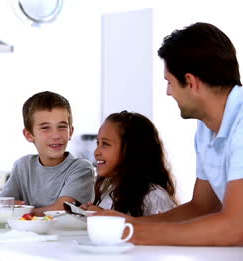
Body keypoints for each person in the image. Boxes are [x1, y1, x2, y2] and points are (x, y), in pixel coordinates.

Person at [96, 22, 243, 246]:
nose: (168, 92)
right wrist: (131, 223)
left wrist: (132, 233)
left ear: (191, 82)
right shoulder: (206, 127)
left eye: (169, 82)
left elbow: (234, 227)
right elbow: (202, 207)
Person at [0, 91, 95, 216]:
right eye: (45, 128)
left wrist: (22, 212)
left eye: (62, 126)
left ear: (70, 132)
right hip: (30, 235)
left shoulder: (81, 168)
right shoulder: (22, 166)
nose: (55, 135)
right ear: (29, 135)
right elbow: (2, 206)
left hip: (67, 235)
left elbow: (61, 210)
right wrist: (10, 209)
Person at [81, 111, 177, 217]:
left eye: (105, 144)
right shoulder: (110, 191)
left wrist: (107, 218)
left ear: (131, 150)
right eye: (98, 143)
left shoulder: (154, 197)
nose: (96, 152)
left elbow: (163, 232)